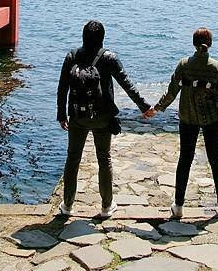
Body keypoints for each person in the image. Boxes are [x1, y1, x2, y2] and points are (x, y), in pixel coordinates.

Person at [57, 19, 154, 217]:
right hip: (102, 117)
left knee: (73, 158)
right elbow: (126, 83)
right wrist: (144, 107)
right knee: (104, 158)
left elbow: (62, 88)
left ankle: (67, 206)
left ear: (83, 36)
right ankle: (106, 206)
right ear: (102, 38)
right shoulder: (109, 57)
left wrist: (61, 114)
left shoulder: (72, 56)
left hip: (77, 116)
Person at [151, 26, 218, 218]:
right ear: (210, 44)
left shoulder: (183, 65)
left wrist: (157, 108)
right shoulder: (217, 68)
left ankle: (178, 206)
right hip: (211, 118)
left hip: (187, 117)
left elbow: (171, 91)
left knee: (185, 160)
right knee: (216, 160)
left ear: (194, 44)